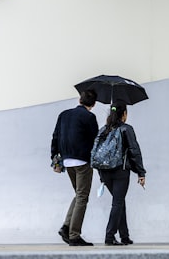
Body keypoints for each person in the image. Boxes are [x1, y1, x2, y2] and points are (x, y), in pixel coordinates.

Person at [50, 89, 99, 246]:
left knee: (79, 194)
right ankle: (74, 235)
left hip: (66, 161)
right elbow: (95, 140)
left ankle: (66, 227)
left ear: (80, 100)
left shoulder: (63, 115)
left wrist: (54, 158)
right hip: (82, 162)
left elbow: (55, 136)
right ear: (93, 104)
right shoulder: (90, 117)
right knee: (83, 197)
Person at [95, 103, 147, 246]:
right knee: (117, 202)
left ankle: (124, 236)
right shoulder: (126, 129)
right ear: (124, 113)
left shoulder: (103, 130)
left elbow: (96, 152)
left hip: (105, 172)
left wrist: (101, 174)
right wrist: (140, 172)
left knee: (119, 201)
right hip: (120, 171)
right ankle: (109, 236)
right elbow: (134, 151)